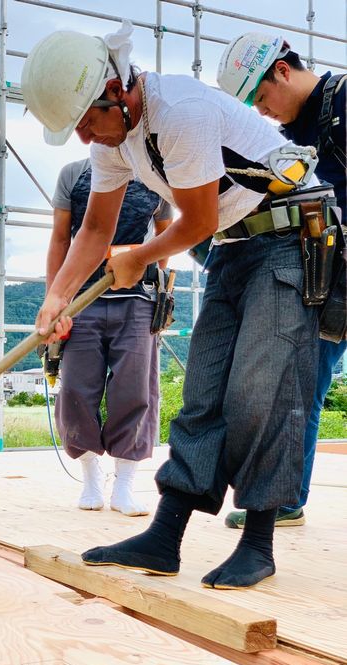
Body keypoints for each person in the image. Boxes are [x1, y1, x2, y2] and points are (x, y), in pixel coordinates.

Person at [21, 21, 327, 589]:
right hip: (238, 244)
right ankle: (165, 537)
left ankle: (258, 541)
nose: (86, 138)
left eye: (88, 121)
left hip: (288, 238)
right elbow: (94, 227)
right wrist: (57, 297)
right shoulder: (119, 138)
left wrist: (139, 257)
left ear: (116, 89)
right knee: (204, 389)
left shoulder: (178, 111)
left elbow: (199, 221)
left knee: (263, 388)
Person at [217, 32, 346, 529]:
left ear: (283, 71)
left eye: (260, 96)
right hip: (330, 274)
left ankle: (285, 495)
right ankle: (286, 496)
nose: (262, 111)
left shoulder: (342, 101)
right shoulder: (290, 138)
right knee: (300, 380)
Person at [49, 157, 173, 515]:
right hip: (81, 299)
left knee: (134, 390)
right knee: (75, 389)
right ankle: (90, 476)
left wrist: (152, 282)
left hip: (137, 300)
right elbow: (60, 238)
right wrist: (54, 298)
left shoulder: (154, 175)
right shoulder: (73, 174)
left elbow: (165, 236)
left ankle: (124, 484)